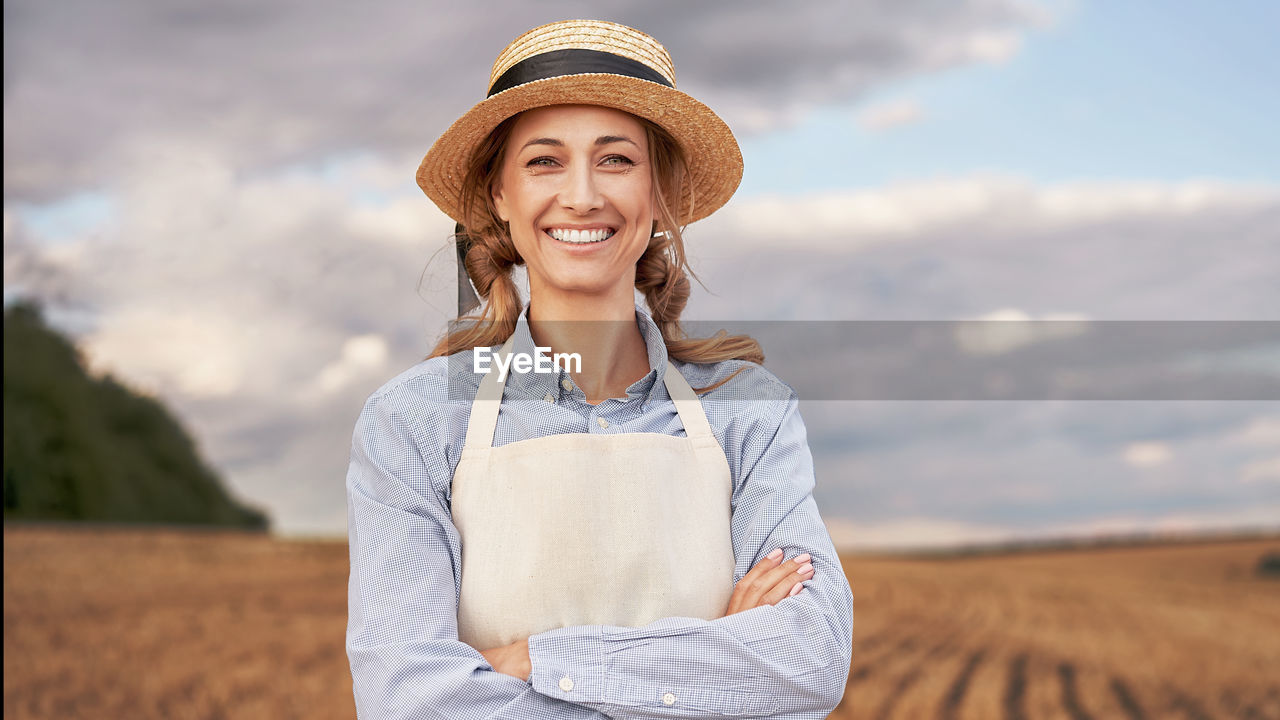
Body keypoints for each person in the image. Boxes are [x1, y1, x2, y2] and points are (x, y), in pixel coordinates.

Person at [345, 19, 854, 719]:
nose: (582, 196)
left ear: (660, 195)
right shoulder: (413, 421)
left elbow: (809, 660)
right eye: (544, 162)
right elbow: (408, 700)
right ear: (500, 195)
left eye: (616, 160)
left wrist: (538, 661)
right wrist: (714, 662)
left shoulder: (748, 410)